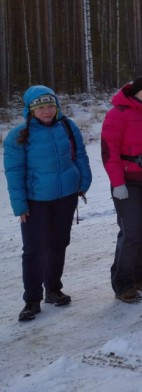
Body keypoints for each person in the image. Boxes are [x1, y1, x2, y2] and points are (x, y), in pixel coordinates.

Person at [4, 86, 92, 322]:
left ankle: (53, 289)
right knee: (34, 249)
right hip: (36, 201)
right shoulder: (18, 135)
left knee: (59, 243)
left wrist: (84, 179)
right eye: (41, 107)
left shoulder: (67, 126)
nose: (46, 111)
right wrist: (20, 205)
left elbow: (80, 154)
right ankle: (31, 300)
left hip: (66, 196)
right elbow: (14, 172)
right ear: (30, 110)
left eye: (50, 106)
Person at [102, 76, 142, 303]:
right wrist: (117, 182)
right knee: (131, 232)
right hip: (127, 180)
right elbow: (109, 151)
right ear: (135, 93)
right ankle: (123, 283)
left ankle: (140, 276)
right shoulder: (117, 114)